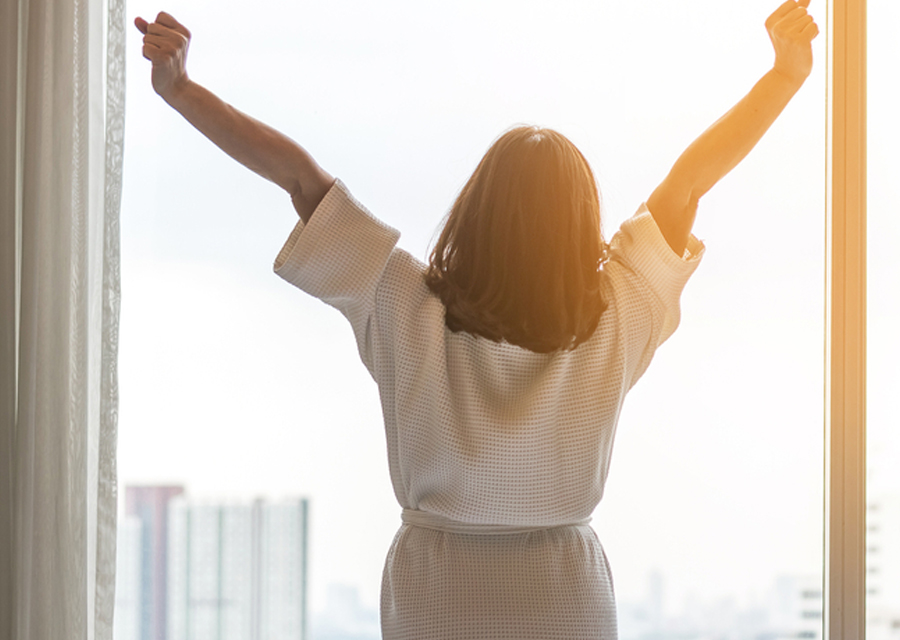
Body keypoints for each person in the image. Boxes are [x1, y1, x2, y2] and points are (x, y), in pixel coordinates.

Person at [135, 3, 817, 638]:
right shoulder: (618, 310)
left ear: (477, 210)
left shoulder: (401, 297)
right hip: (565, 592)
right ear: (578, 224)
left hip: (438, 589)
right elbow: (688, 183)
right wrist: (784, 76)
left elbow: (301, 179)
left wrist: (182, 90)